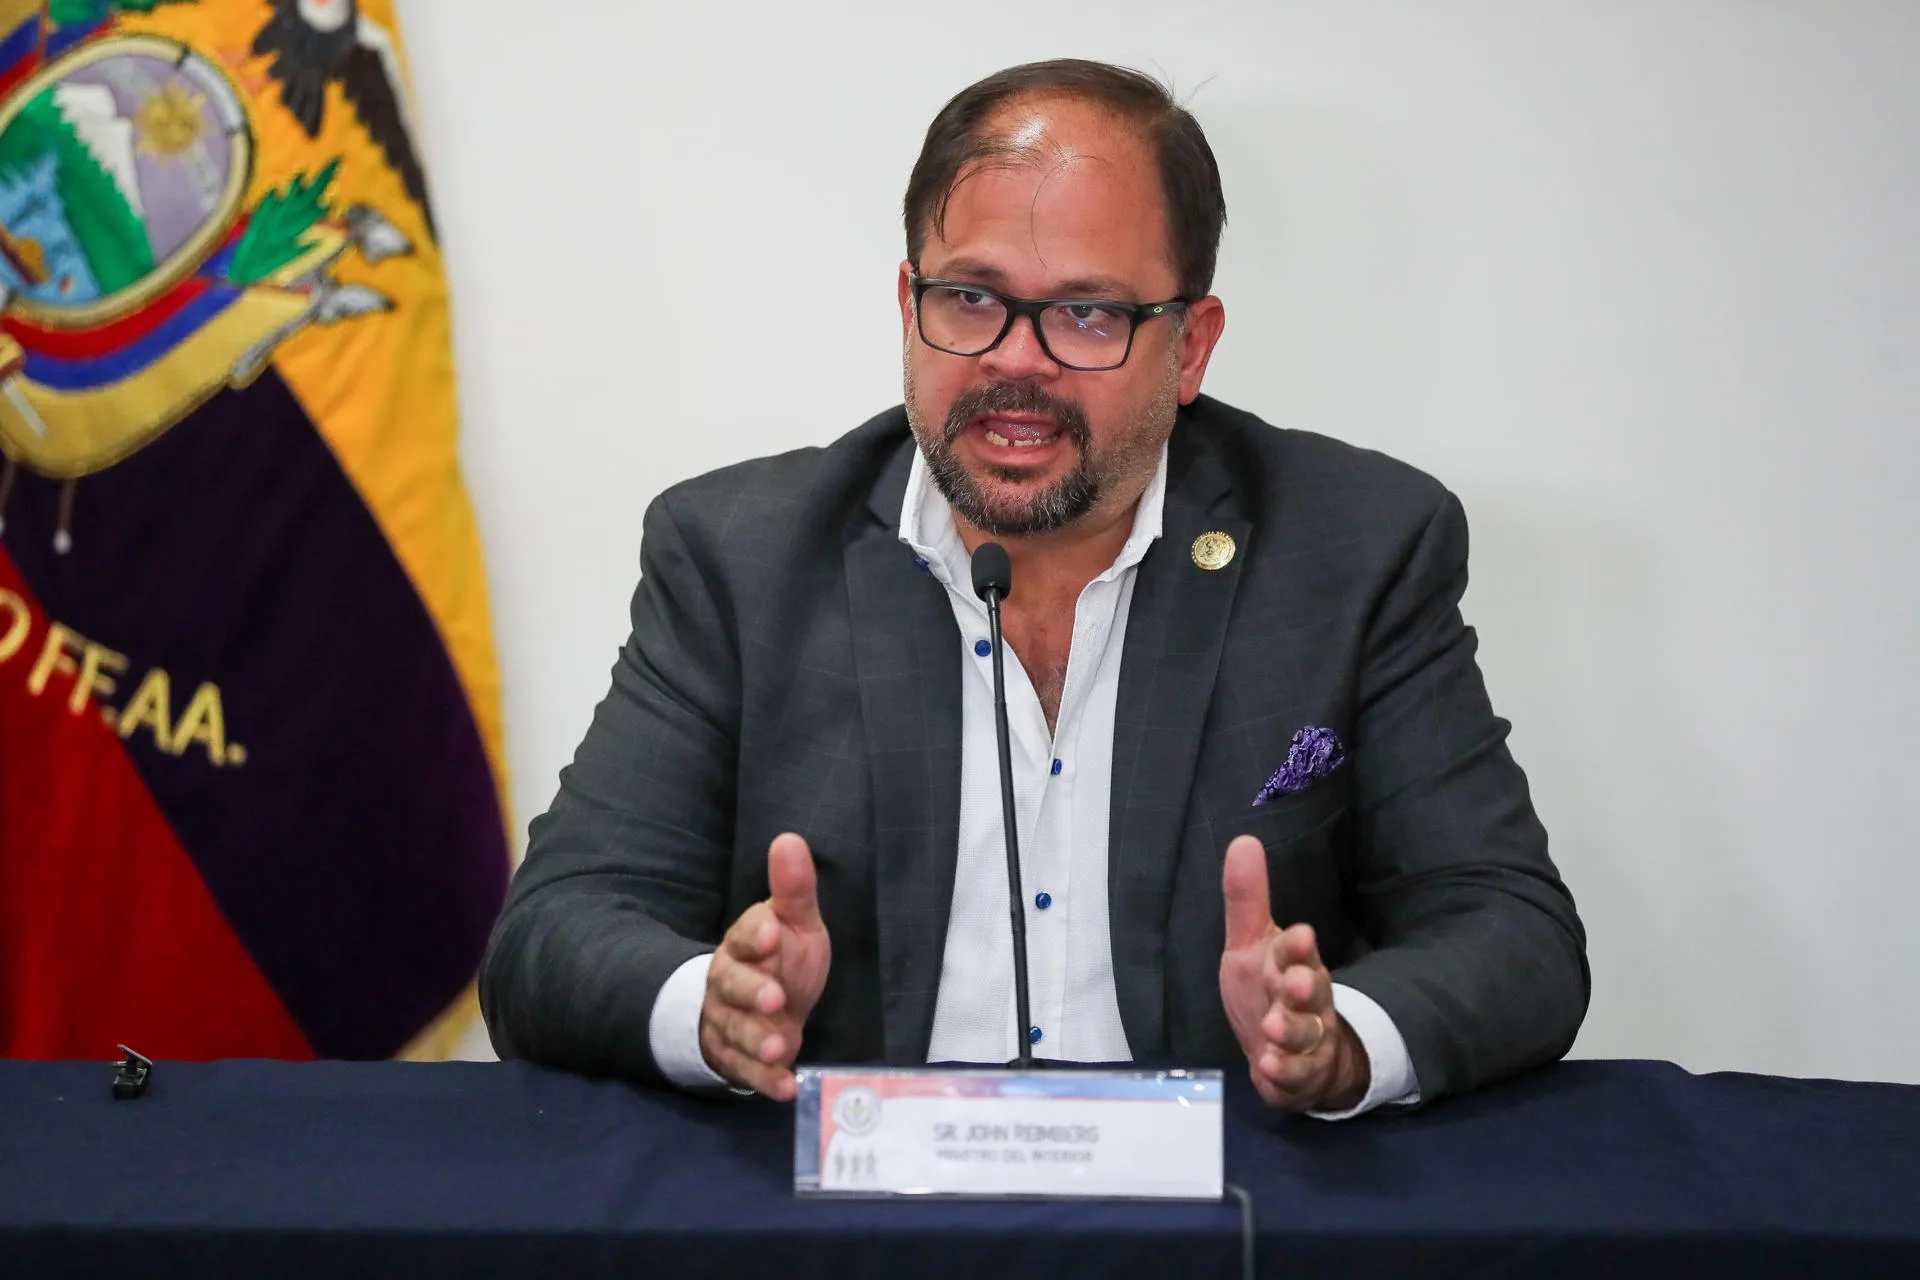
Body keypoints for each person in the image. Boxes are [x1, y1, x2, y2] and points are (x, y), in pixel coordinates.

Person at [480, 59, 1587, 1118]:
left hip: (1222, 1210)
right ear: (908, 301)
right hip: (858, 1217)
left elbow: (1510, 928)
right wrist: (716, 1011)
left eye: (1088, 313)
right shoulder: (741, 556)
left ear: (1191, 346)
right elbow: (556, 930)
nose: (1018, 360)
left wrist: (1341, 1037)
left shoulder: (1351, 549)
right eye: (972, 298)